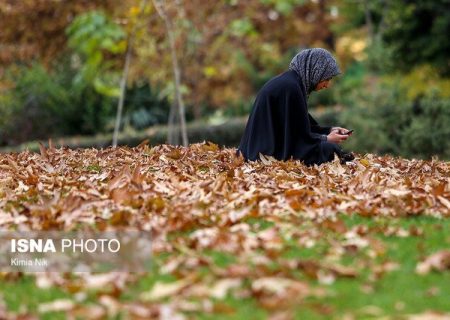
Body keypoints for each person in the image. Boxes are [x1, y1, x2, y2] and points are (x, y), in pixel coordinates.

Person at [237, 48, 354, 166]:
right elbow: (297, 136)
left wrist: (329, 131)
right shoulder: (291, 88)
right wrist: (326, 139)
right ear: (316, 71)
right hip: (265, 154)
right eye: (327, 78)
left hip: (263, 148)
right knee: (329, 149)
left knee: (328, 148)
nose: (327, 85)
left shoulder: (291, 83)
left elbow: (299, 126)